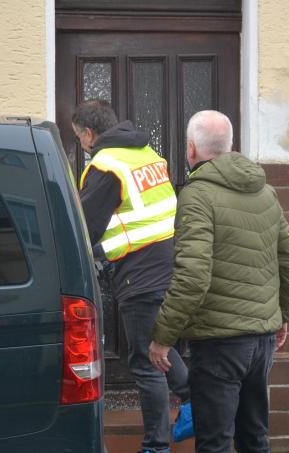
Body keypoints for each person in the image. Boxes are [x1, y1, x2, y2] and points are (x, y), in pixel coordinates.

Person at [149, 110, 289, 453]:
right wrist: (283, 314)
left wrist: (163, 337)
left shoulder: (197, 195)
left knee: (215, 443)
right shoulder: (264, 192)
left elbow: (192, 276)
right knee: (254, 437)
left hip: (219, 343)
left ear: (191, 149)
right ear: (230, 146)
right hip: (261, 341)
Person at [72, 100, 193, 453]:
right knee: (159, 344)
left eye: (80, 138)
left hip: (139, 273)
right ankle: (193, 400)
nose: (81, 145)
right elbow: (139, 216)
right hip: (166, 263)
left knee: (145, 361)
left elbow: (85, 226)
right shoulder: (146, 155)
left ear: (90, 133)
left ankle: (156, 446)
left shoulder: (106, 165)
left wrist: (79, 250)